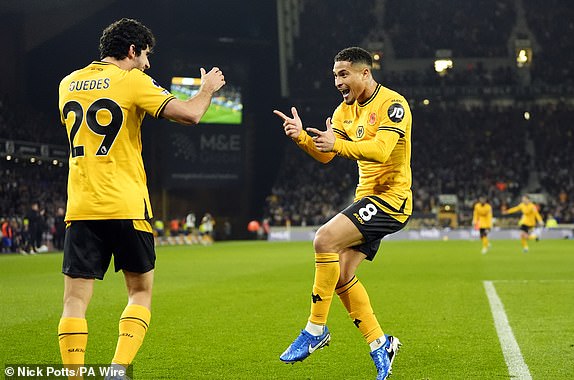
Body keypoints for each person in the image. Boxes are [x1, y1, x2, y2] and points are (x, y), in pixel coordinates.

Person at [57, 18, 225, 378]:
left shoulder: (67, 84)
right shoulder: (132, 80)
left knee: (74, 301)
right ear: (132, 50)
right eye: (145, 55)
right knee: (140, 292)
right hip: (126, 205)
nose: (148, 64)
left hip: (82, 206)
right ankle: (117, 370)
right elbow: (192, 114)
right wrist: (207, 88)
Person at [273, 46, 412, 380]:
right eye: (335, 75)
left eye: (343, 74)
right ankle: (382, 344)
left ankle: (315, 330)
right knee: (342, 275)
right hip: (367, 199)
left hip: (391, 199)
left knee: (324, 239)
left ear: (365, 73)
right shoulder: (342, 113)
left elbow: (379, 151)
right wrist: (304, 139)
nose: (337, 81)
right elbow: (327, 155)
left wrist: (335, 144)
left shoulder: (393, 104)